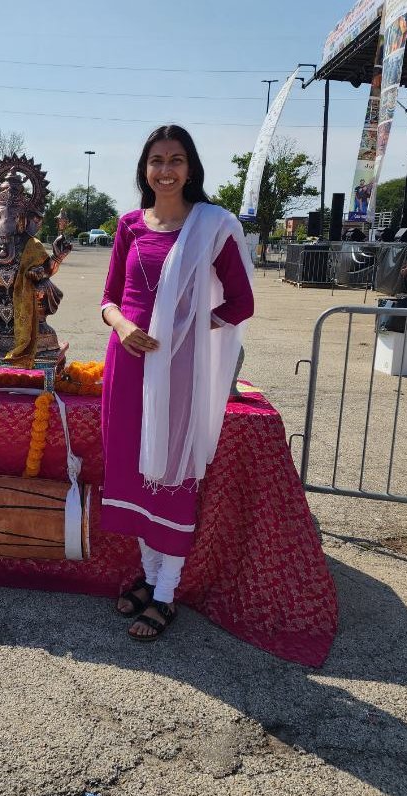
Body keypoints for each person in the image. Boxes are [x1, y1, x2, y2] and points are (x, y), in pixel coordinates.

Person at [100, 125, 254, 641]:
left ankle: (166, 594)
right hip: (126, 367)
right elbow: (108, 299)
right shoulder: (128, 225)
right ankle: (148, 575)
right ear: (145, 169)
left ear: (191, 169)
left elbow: (240, 303)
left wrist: (188, 330)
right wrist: (123, 327)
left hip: (179, 372)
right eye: (156, 160)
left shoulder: (211, 227)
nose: (165, 170)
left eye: (176, 160)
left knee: (170, 470)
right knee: (132, 467)